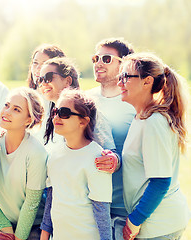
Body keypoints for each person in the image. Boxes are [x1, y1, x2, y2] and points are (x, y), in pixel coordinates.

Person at [118, 52, 190, 239]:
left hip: (160, 226)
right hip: (154, 223)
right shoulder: (141, 117)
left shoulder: (153, 122)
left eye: (125, 77)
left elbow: (160, 181)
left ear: (147, 81)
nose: (119, 83)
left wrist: (134, 221)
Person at [40, 89, 112, 240]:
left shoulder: (97, 157)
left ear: (83, 121)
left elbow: (101, 209)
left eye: (64, 113)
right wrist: (44, 235)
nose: (57, 117)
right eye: (55, 111)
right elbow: (52, 198)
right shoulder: (55, 154)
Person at [87, 38, 136, 240]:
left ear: (123, 64)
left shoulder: (135, 103)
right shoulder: (84, 100)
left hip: (125, 208)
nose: (98, 63)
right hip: (89, 205)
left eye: (106, 59)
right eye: (95, 58)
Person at [0, 87, 48, 240]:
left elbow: (32, 203)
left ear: (29, 120)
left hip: (33, 225)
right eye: (6, 105)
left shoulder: (36, 153)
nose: (7, 112)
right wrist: (5, 229)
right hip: (1, 222)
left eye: (16, 109)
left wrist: (18, 238)